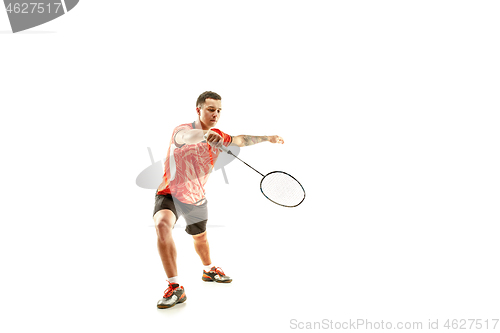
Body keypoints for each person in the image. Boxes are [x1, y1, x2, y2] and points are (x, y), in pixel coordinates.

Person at [154, 91, 284, 309]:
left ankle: (209, 270)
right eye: (211, 109)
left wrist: (266, 138)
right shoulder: (182, 130)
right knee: (162, 225)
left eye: (219, 111)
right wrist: (205, 136)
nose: (215, 114)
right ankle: (175, 287)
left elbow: (240, 139)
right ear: (199, 110)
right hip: (170, 193)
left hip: (196, 197)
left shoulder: (219, 134)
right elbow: (187, 138)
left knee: (201, 239)